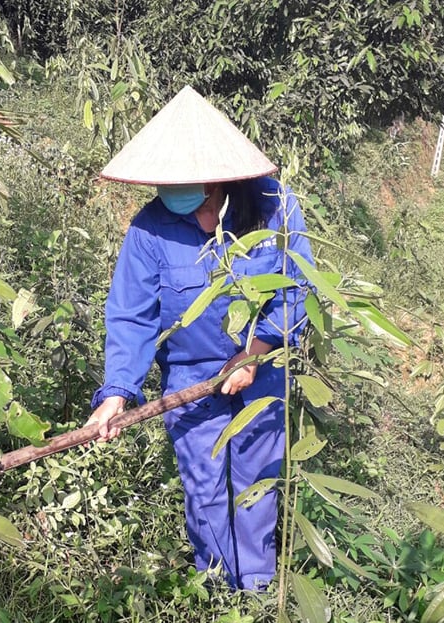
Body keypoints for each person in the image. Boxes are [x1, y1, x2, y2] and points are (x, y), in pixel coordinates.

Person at [86, 86, 314, 591]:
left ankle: (253, 592)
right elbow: (130, 316)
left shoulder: (274, 208)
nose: (174, 191)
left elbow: (299, 289)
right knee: (205, 490)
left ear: (218, 177)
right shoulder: (150, 229)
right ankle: (214, 592)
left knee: (256, 485)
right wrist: (117, 393)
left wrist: (253, 355)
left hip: (264, 368)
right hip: (189, 377)